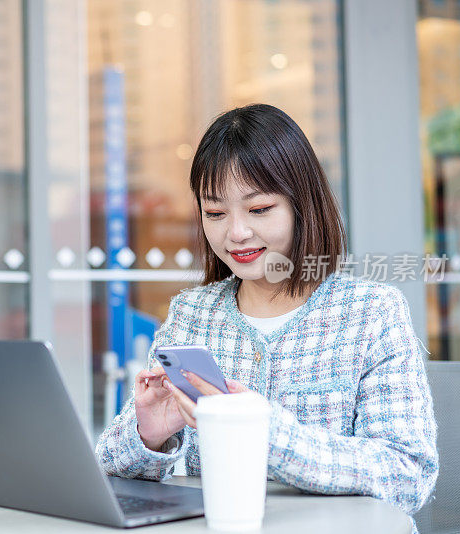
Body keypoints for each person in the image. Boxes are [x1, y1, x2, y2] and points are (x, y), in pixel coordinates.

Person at [95, 104, 439, 530]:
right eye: (215, 213)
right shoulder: (192, 314)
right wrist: (149, 435)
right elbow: (108, 468)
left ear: (302, 205)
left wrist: (263, 433)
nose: (235, 233)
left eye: (259, 209)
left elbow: (407, 474)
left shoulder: (370, 313)